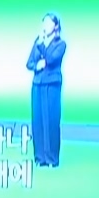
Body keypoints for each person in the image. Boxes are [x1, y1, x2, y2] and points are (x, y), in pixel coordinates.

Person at [27, 13, 67, 167]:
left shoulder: (60, 44)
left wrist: (42, 45)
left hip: (52, 84)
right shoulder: (38, 41)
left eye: (49, 23)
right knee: (38, 120)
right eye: (44, 23)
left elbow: (50, 59)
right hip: (37, 84)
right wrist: (37, 65)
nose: (45, 26)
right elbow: (29, 62)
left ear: (55, 26)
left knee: (51, 120)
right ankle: (40, 157)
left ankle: (52, 158)